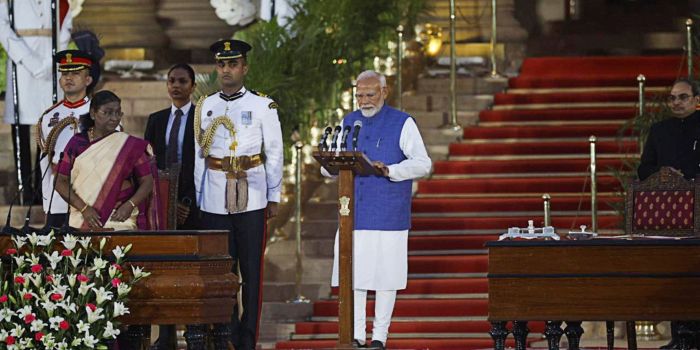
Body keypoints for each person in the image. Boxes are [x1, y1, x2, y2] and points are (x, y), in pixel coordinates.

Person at [323, 70, 432, 349]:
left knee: (386, 276)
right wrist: (327, 162)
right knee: (354, 274)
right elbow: (334, 162)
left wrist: (391, 170)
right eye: (359, 95)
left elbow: (423, 163)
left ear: (384, 92)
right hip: (353, 213)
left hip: (388, 211)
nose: (364, 100)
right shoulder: (349, 121)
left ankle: (380, 337)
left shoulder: (402, 122)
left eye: (370, 94)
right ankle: (357, 334)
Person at [193, 39, 283, 350]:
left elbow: (274, 152)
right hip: (215, 195)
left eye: (233, 64)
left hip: (253, 193)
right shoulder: (205, 106)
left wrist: (273, 196)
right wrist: (200, 197)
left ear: (244, 67)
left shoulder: (262, 106)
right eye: (221, 64)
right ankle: (226, 336)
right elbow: (198, 155)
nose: (227, 70)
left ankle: (248, 339)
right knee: (221, 269)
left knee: (251, 270)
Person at [55, 90, 161, 231]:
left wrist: (129, 205)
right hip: (84, 218)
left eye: (118, 113)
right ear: (93, 113)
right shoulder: (77, 143)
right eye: (108, 112)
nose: (114, 118)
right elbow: (60, 181)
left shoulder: (129, 146)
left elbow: (147, 182)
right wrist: (84, 209)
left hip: (120, 219)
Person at [0, 0, 72, 204]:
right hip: (21, 64)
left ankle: (44, 188)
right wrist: (27, 59)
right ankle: (25, 189)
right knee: (21, 123)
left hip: (50, 63)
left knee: (49, 125)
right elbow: (2, 25)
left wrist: (52, 60)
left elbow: (65, 23)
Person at [36, 50, 96, 228]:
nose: (68, 78)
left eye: (76, 73)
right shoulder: (49, 116)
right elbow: (45, 162)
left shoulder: (101, 112)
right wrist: (48, 202)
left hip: (90, 192)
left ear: (88, 80)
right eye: (65, 73)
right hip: (58, 196)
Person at [144, 63, 199, 229]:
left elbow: (204, 163)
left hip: (193, 200)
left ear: (193, 86)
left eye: (182, 81)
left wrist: (187, 201)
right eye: (171, 81)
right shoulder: (156, 119)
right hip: (161, 195)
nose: (176, 85)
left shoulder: (201, 118)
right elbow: (148, 160)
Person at [638, 78, 700, 181]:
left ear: (696, 100)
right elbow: (643, 169)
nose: (676, 102)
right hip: (666, 194)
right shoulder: (659, 130)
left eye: (683, 97)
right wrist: (661, 173)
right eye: (672, 98)